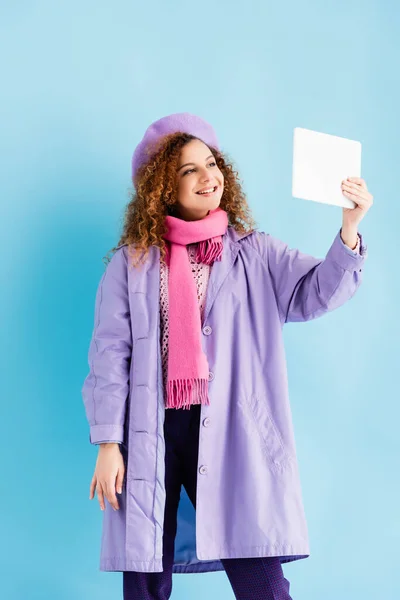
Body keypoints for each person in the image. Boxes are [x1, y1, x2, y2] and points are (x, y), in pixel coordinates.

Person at [81, 112, 372, 600]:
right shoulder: (130, 265)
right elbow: (110, 355)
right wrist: (108, 443)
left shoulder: (253, 253)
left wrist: (348, 232)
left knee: (257, 564)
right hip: (151, 430)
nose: (207, 176)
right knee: (147, 570)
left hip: (231, 426)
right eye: (188, 169)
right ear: (162, 188)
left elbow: (316, 291)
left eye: (211, 164)